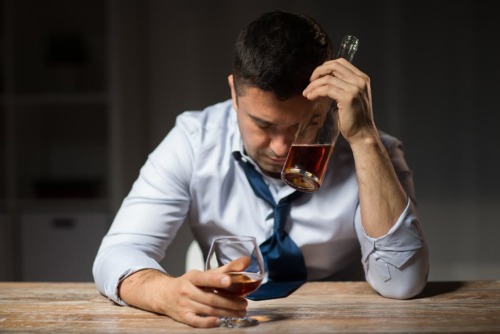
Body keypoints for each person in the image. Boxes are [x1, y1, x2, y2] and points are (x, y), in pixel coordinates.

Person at [93, 10, 429, 328]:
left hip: (349, 321)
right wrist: (164, 293)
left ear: (326, 107)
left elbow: (402, 283)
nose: (282, 148)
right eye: (263, 125)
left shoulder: (375, 150)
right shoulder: (194, 141)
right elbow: (116, 254)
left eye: (306, 124)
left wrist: (365, 139)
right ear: (234, 95)